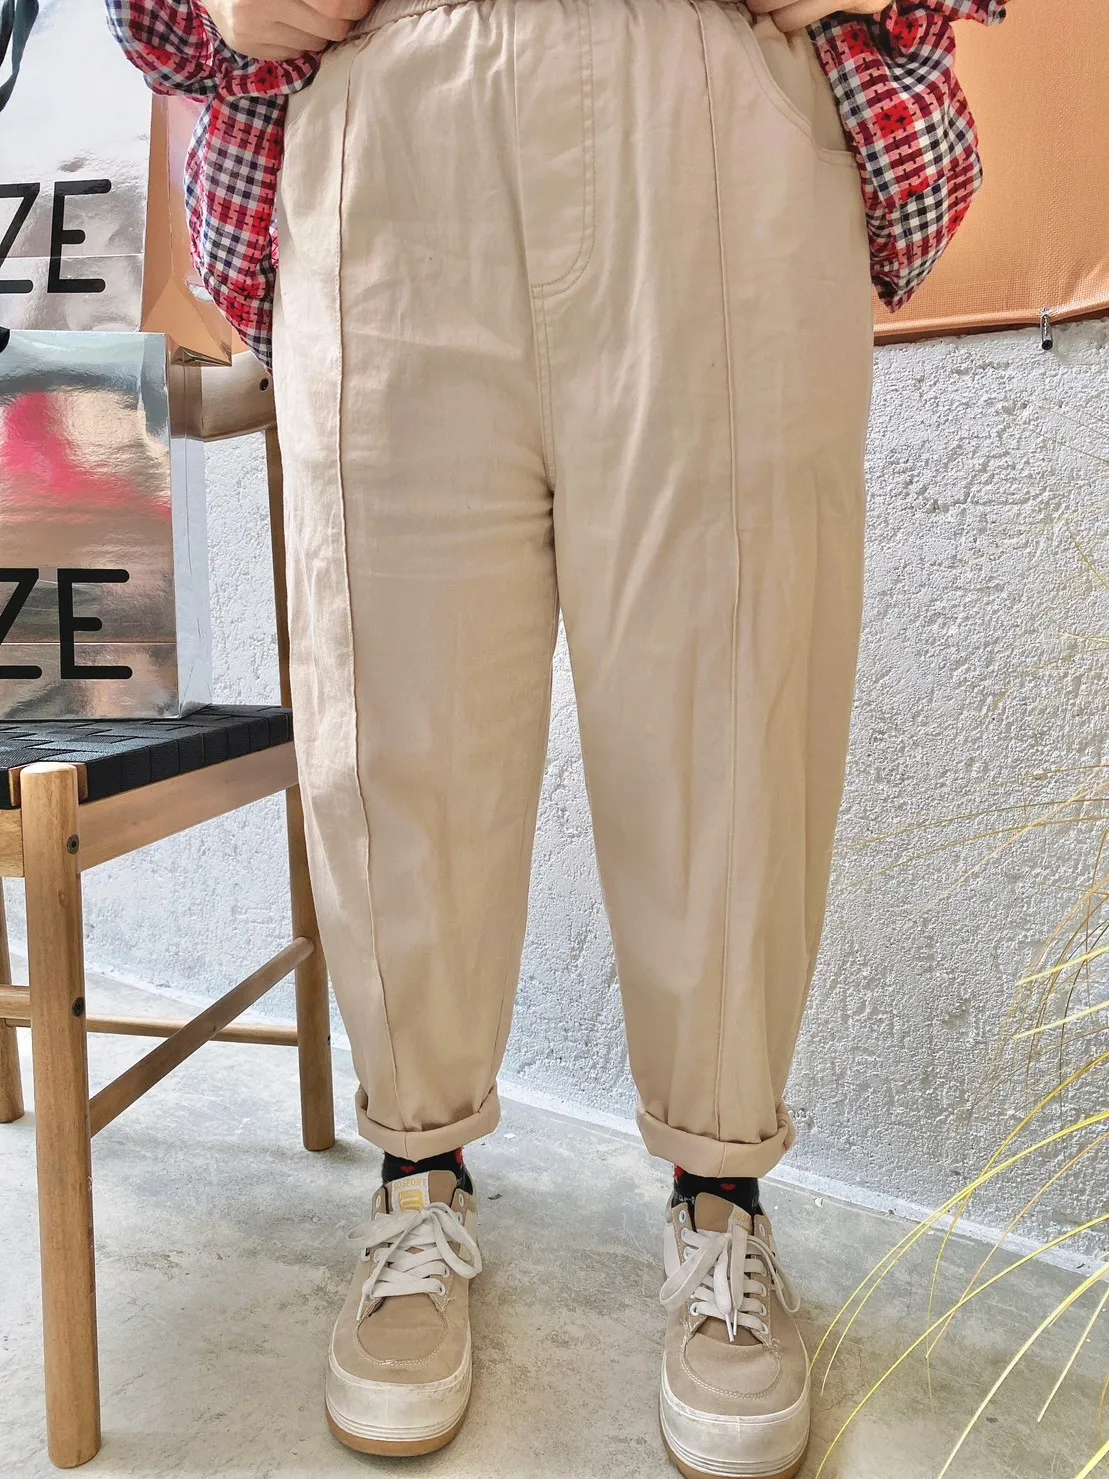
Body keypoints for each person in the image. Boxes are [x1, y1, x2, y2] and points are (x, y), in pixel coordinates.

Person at [109, 0, 1004, 1473]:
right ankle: (417, 1176)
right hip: (384, 99)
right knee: (391, 711)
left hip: (706, 87)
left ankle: (721, 1200)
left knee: (732, 701)